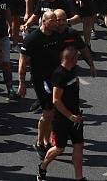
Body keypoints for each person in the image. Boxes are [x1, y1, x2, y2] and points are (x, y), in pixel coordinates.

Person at [37, 46, 86, 181]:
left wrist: (76, 115)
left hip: (76, 117)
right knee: (59, 148)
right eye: (77, 57)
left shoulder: (73, 70)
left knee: (78, 146)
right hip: (62, 119)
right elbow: (56, 100)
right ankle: (42, 167)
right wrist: (70, 116)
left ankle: (79, 178)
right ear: (71, 58)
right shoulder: (59, 74)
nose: (78, 59)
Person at [18, 10, 63, 155]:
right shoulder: (33, 38)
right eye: (53, 21)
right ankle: (39, 142)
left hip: (55, 78)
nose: (56, 23)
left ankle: (47, 140)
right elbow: (22, 62)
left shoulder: (57, 35)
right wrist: (21, 83)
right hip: (40, 79)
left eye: (57, 20)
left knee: (53, 111)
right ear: (44, 22)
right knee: (47, 112)